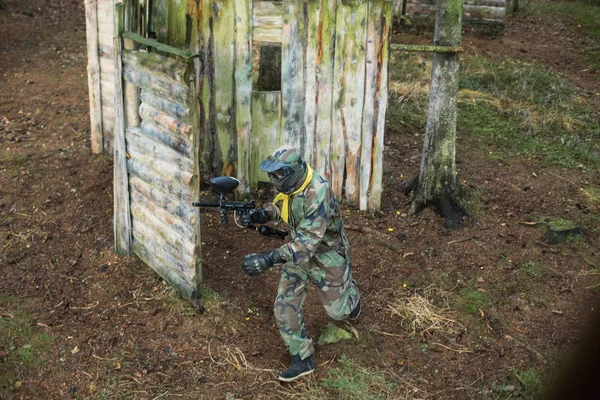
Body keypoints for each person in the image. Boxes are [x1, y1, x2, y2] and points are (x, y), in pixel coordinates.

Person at [239, 145, 361, 382]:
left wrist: (268, 258)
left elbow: (306, 244)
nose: (274, 179)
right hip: (297, 253)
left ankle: (350, 294)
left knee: (339, 312)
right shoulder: (291, 186)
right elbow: (281, 207)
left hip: (326, 255)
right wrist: (262, 215)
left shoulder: (319, 191)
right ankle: (302, 358)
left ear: (293, 171)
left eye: (278, 174)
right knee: (284, 306)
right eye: (272, 174)